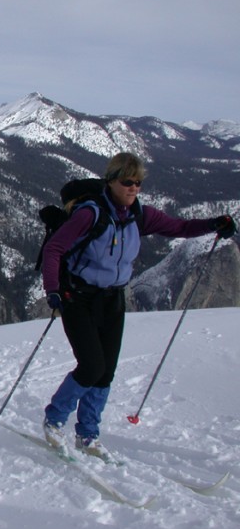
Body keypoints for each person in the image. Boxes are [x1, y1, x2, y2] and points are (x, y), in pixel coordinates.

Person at [41, 152, 236, 460]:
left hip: (113, 300)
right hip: (77, 297)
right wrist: (52, 290)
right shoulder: (90, 214)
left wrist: (214, 224)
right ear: (112, 181)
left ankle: (88, 435)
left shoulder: (138, 215)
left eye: (138, 183)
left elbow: (179, 227)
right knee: (92, 366)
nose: (133, 188)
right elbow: (54, 249)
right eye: (127, 182)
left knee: (105, 373)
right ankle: (54, 419)